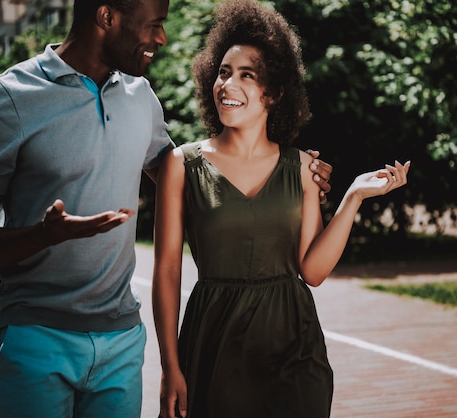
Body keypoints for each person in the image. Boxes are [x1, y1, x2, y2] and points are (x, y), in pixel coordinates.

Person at [0, 0, 334, 416]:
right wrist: (44, 235)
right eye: (154, 25)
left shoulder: (140, 97)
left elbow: (201, 180)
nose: (161, 38)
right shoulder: (6, 98)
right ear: (107, 16)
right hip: (35, 332)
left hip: (120, 338)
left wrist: (295, 181)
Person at [151, 0, 411, 417]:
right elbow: (166, 271)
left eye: (246, 76)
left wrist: (353, 198)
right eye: (223, 72)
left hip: (293, 344)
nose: (227, 84)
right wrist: (169, 367)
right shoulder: (182, 164)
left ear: (272, 92)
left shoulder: (305, 168)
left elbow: (312, 271)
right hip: (214, 341)